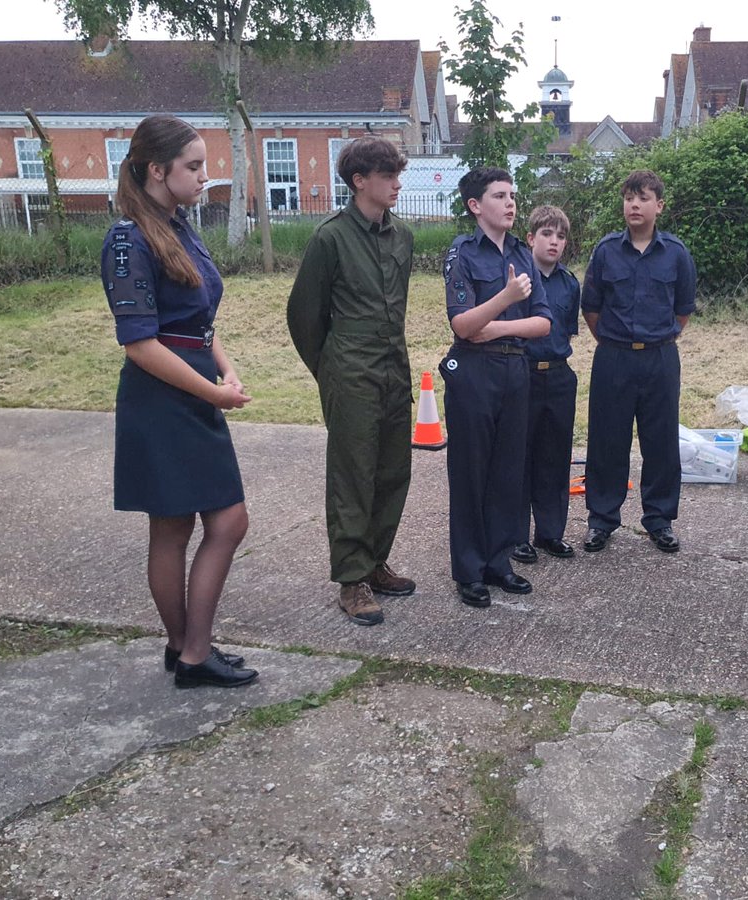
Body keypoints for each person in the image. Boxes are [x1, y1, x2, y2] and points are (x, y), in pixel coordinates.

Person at [102, 114, 256, 688]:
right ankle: (193, 653)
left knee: (186, 527)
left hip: (195, 387)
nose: (203, 176)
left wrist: (224, 364)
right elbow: (141, 344)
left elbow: (196, 320)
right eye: (193, 167)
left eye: (204, 166)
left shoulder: (179, 225)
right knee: (215, 523)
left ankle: (185, 648)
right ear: (155, 170)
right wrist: (212, 389)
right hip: (161, 400)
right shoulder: (128, 238)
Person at [287, 136, 416, 627]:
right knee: (352, 476)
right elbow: (304, 316)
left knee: (391, 471)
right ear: (360, 181)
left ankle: (376, 561)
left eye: (397, 175)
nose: (397, 184)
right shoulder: (330, 239)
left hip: (393, 368)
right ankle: (351, 580)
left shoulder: (401, 236)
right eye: (388, 176)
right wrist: (330, 370)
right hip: (350, 371)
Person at [439, 167, 551, 608]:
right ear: (475, 206)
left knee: (508, 470)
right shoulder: (462, 253)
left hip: (514, 371)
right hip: (474, 373)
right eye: (499, 196)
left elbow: (543, 322)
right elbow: (463, 326)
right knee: (471, 472)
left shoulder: (523, 255)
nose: (510, 203)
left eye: (512, 195)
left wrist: (495, 325)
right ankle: (469, 570)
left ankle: (499, 561)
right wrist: (504, 298)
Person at [580, 170, 696, 555]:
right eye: (629, 197)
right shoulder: (606, 250)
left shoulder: (676, 253)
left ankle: (659, 520)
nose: (634, 204)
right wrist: (618, 343)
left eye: (643, 198)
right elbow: (591, 308)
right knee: (606, 440)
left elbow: (683, 310)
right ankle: (601, 519)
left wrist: (654, 339)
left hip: (660, 357)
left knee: (660, 442)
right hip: (613, 357)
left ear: (658, 206)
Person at [511, 205, 582, 564]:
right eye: (547, 234)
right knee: (520, 454)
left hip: (557, 375)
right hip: (522, 373)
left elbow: (567, 329)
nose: (554, 242)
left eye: (560, 236)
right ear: (530, 239)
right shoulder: (518, 281)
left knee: (555, 456)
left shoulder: (570, 283)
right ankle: (515, 535)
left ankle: (550, 532)